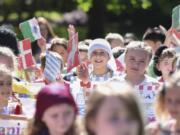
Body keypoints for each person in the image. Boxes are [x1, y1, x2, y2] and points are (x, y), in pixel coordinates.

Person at [123, 41, 160, 122]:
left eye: (142, 61)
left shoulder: (156, 87)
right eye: (132, 59)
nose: (136, 64)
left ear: (149, 62)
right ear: (125, 57)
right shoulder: (112, 85)